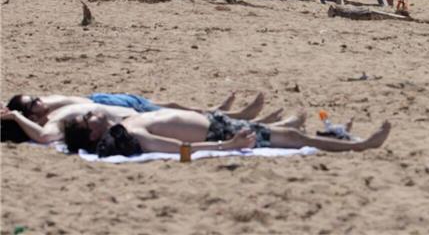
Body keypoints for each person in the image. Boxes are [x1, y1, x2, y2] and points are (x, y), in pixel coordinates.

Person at [63, 107, 391, 157]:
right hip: (217, 135)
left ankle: (339, 137)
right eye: (87, 118)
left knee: (287, 133)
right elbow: (175, 147)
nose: (92, 114)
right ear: (93, 135)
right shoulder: (126, 133)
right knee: (294, 140)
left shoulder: (124, 119)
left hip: (218, 124)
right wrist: (226, 146)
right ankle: (360, 146)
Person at [1, 92, 270, 144]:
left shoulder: (49, 111)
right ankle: (232, 116)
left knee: (172, 106)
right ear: (30, 117)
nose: (40, 101)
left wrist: (12, 112)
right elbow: (44, 136)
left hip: (105, 100)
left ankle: (227, 113)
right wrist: (14, 116)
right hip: (116, 110)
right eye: (33, 104)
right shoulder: (51, 123)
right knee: (178, 115)